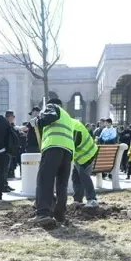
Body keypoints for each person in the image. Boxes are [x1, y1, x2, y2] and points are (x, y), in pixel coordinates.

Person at [31, 97, 76, 228]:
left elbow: (50, 116)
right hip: (67, 151)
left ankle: (43, 213)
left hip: (53, 147)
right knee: (61, 185)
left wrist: (38, 121)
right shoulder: (67, 116)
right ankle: (60, 215)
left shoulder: (53, 108)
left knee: (45, 180)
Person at [71, 119, 99, 207]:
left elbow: (72, 146)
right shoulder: (72, 124)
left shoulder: (74, 128)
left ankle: (92, 199)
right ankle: (78, 200)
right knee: (75, 176)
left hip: (87, 153)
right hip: (81, 155)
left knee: (83, 175)